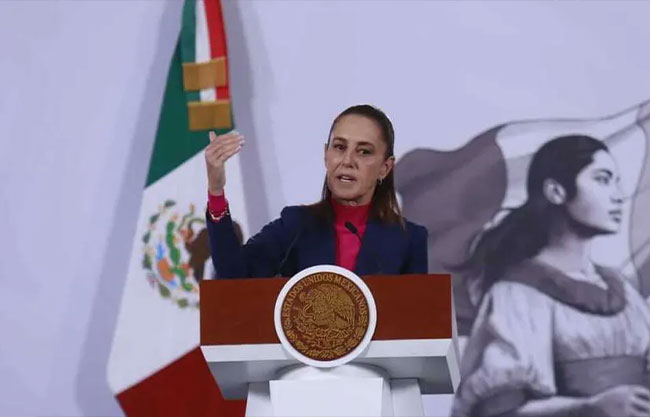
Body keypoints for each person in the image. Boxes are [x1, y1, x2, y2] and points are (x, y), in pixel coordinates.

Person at [452, 135, 650, 417]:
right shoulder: (518, 294)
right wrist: (591, 407)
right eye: (603, 180)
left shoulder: (623, 291)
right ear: (556, 191)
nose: (618, 195)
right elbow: (498, 409)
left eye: (617, 181)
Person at [203, 104, 428, 278]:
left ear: (385, 168)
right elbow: (233, 275)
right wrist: (216, 190)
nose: (347, 160)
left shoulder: (409, 239)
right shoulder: (296, 225)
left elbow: (419, 319)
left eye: (364, 151)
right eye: (339, 147)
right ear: (326, 154)